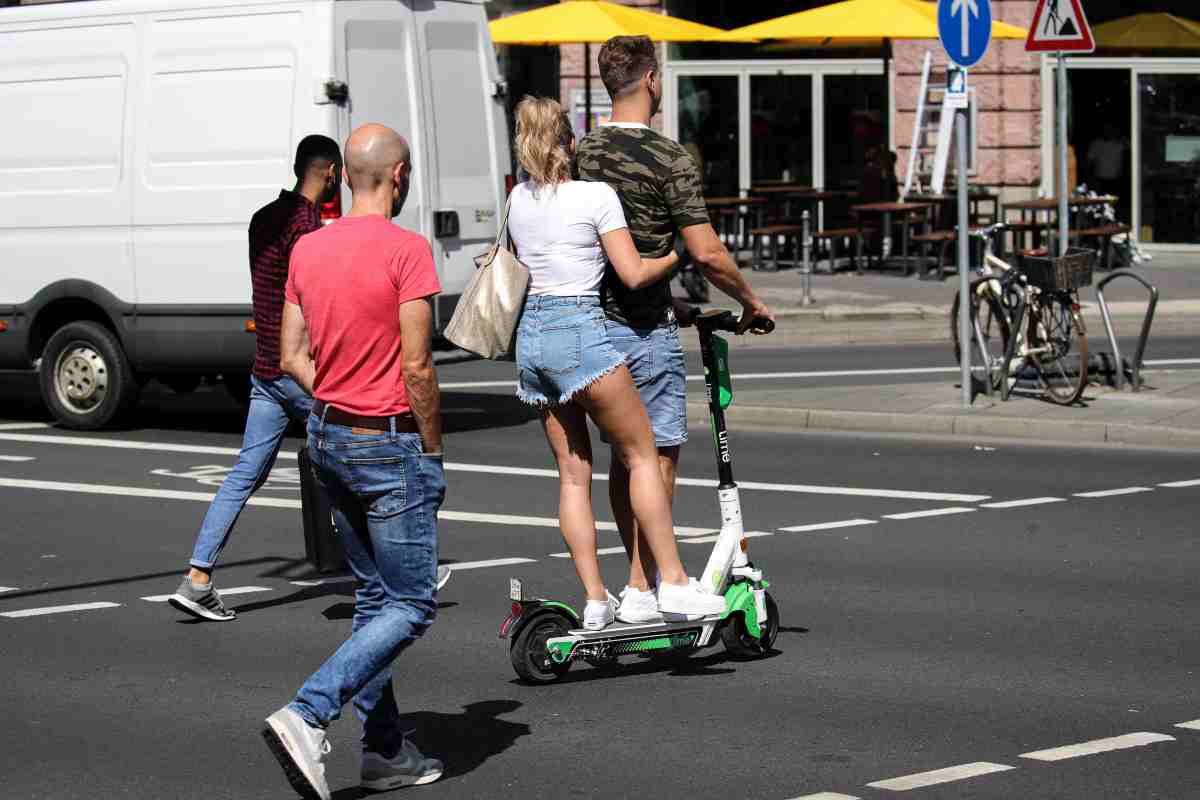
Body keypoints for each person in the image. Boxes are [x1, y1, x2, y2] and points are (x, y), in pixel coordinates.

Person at [264, 123, 445, 799]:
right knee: (411, 604)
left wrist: (338, 397)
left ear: (344, 175)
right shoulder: (408, 251)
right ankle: (308, 713)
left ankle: (383, 750)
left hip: (327, 435)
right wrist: (430, 449)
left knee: (374, 598)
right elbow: (419, 366)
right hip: (389, 442)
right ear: (398, 177)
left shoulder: (309, 250)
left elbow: (290, 355)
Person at [575, 35, 774, 624]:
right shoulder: (669, 157)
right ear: (653, 81)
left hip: (593, 323)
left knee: (621, 457)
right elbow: (706, 252)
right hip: (643, 330)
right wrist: (751, 301)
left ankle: (637, 585)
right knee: (657, 455)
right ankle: (657, 583)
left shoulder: (582, 152)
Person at [508, 96, 728, 630]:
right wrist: (678, 252)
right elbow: (632, 274)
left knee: (572, 475)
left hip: (532, 338)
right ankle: (672, 582)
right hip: (580, 330)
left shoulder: (517, 199)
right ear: (570, 141)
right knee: (641, 455)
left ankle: (594, 599)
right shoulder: (595, 195)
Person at [167, 135, 340, 622]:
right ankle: (401, 570)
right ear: (329, 174)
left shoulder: (264, 218)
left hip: (265, 370)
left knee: (245, 475)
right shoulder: (308, 227)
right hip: (298, 370)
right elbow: (314, 302)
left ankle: (198, 577)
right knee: (369, 455)